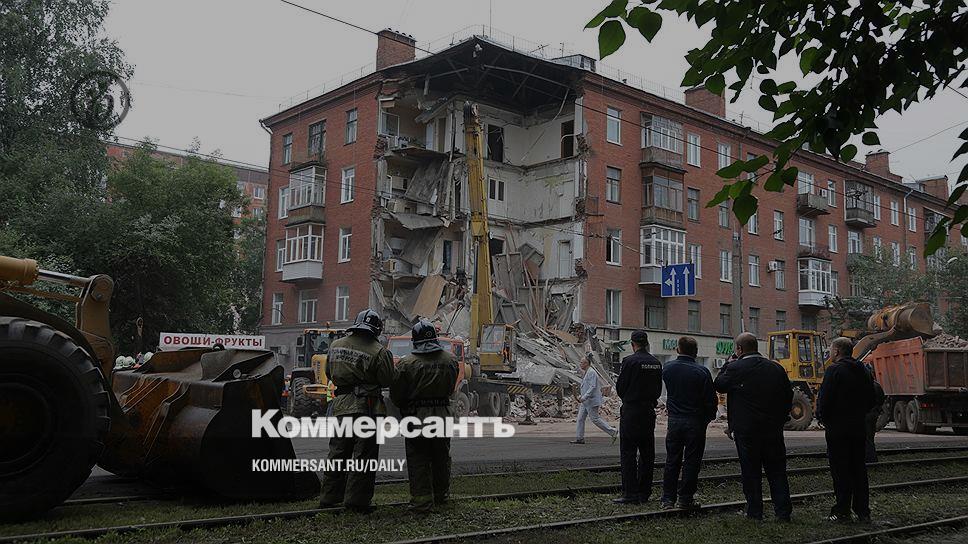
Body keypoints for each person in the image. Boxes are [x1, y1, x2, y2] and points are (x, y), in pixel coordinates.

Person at [319, 309, 397, 513]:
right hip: (367, 407)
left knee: (338, 451)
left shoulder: (335, 346)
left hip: (342, 406)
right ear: (377, 330)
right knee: (364, 456)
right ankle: (357, 501)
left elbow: (329, 373)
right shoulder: (379, 351)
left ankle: (329, 497)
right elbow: (387, 380)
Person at [714, 332, 793, 521]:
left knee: (751, 472)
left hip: (746, 430)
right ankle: (783, 512)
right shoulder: (776, 368)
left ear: (739, 349)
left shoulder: (735, 367)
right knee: (777, 471)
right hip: (772, 430)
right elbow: (787, 396)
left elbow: (719, 385)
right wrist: (780, 419)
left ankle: (755, 512)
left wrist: (727, 364)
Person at [389, 319, 459, 512]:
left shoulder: (406, 364)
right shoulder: (451, 360)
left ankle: (421, 501)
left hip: (416, 418)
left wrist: (405, 409)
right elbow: (451, 389)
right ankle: (441, 496)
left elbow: (397, 395)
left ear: (414, 341)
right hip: (442, 418)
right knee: (441, 457)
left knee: (418, 459)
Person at [816, 337, 878, 523]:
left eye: (831, 349)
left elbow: (824, 399)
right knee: (859, 469)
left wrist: (823, 418)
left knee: (840, 470)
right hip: (858, 427)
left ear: (836, 351)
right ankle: (863, 511)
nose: (830, 353)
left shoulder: (834, 370)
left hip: (837, 428)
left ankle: (842, 511)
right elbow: (872, 397)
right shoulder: (864, 370)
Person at [660, 336, 718, 510]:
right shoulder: (702, 372)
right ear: (696, 352)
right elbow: (711, 400)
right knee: (692, 461)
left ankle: (667, 499)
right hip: (695, 421)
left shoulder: (668, 368)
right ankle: (685, 499)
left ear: (678, 349)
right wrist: (707, 418)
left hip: (674, 421)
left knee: (672, 459)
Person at [613, 330, 663, 504]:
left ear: (632, 344)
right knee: (647, 454)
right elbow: (658, 390)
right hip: (648, 412)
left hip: (631, 412)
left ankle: (630, 493)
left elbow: (620, 388)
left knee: (628, 453)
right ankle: (644, 492)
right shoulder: (656, 363)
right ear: (646, 343)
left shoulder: (629, 361)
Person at [570, 353, 618, 444]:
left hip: (591, 400)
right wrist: (582, 396)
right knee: (580, 419)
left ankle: (612, 431)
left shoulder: (591, 372)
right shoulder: (587, 372)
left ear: (586, 363)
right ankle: (579, 438)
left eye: (582, 362)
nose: (580, 364)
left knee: (595, 419)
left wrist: (584, 397)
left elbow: (592, 387)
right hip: (586, 401)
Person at [864, 362, 886, 463]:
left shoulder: (864, 386)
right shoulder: (877, 385)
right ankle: (872, 458)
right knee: (870, 437)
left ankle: (870, 459)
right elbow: (882, 399)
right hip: (874, 414)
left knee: (866, 438)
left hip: (866, 414)